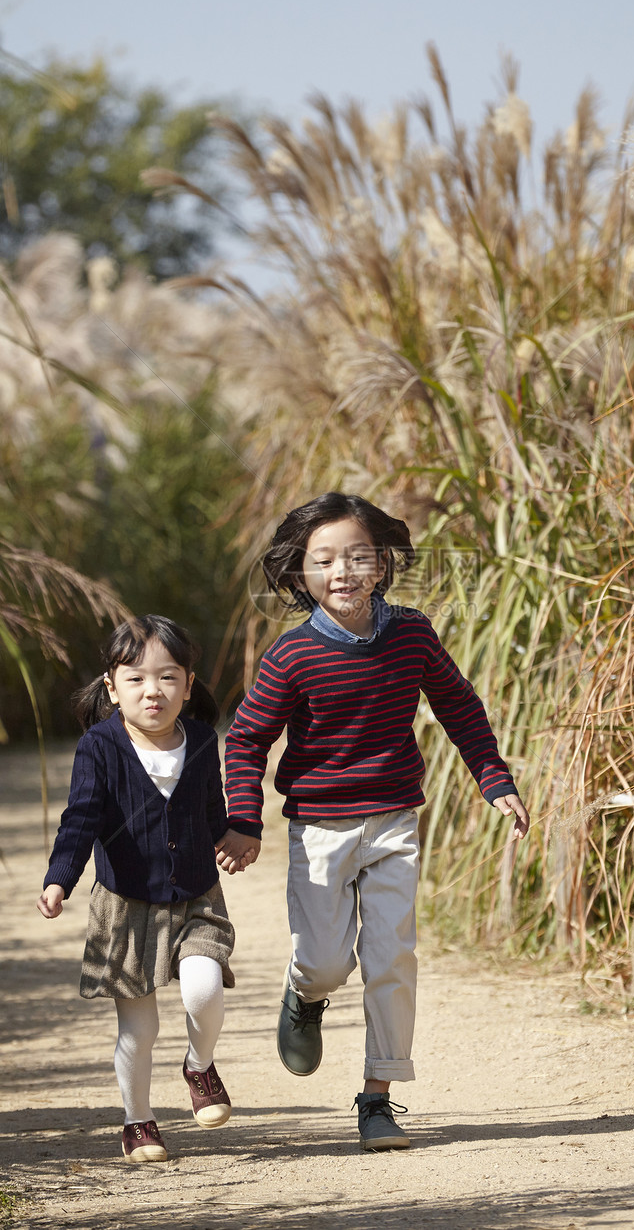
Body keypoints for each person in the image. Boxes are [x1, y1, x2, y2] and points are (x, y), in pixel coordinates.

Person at [218, 492, 529, 1152]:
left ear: (383, 563)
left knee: (393, 957)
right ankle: (306, 993)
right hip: (322, 829)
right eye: (324, 559)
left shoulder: (411, 632)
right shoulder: (292, 656)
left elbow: (458, 703)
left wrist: (493, 776)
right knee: (328, 961)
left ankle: (377, 1096)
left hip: (394, 823)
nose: (343, 572)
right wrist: (243, 817)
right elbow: (245, 740)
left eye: (359, 556)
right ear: (300, 573)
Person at [37, 615, 242, 1164]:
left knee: (204, 988)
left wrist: (233, 838)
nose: (153, 690)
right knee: (140, 1027)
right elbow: (80, 819)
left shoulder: (200, 740)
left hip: (197, 894)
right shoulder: (99, 747)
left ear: (188, 685)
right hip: (125, 902)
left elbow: (211, 809)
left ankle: (199, 1065)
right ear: (112, 686)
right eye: (136, 678)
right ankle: (138, 1122)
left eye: (169, 677)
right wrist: (60, 878)